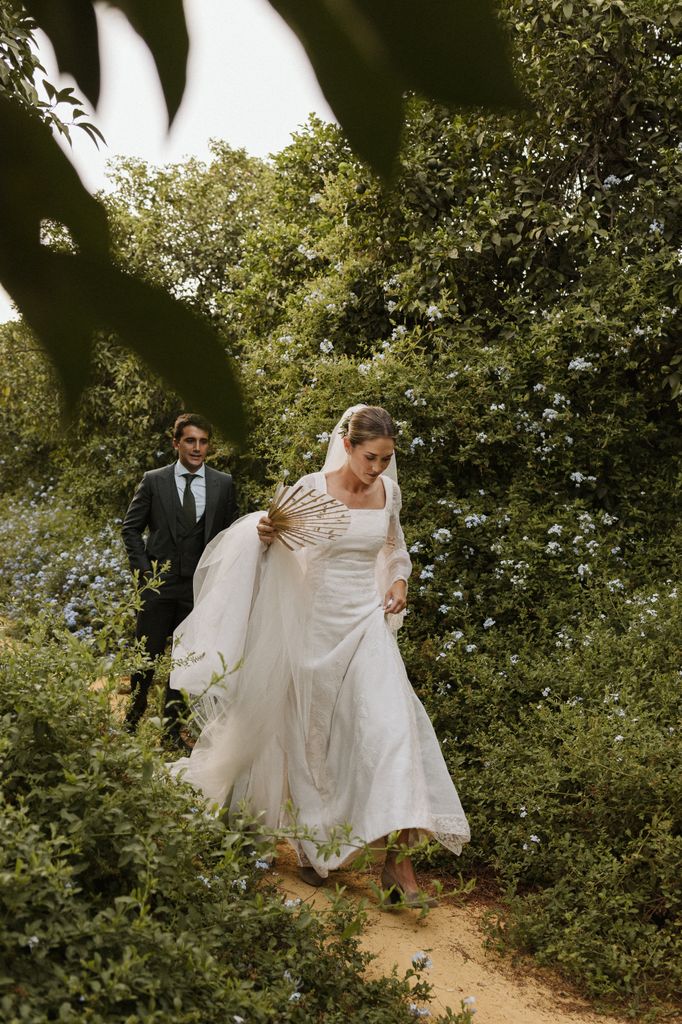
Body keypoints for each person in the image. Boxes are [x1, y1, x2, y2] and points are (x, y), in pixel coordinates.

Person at [168, 405, 469, 904]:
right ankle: (315, 848)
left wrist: (398, 581)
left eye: (386, 459)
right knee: (314, 741)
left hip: (367, 624)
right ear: (347, 446)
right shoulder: (310, 490)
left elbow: (394, 549)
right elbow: (277, 549)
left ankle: (399, 865)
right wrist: (263, 536)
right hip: (312, 629)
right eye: (371, 457)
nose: (378, 469)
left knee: (394, 729)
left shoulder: (389, 492)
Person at [121, 412, 238, 747]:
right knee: (147, 654)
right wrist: (144, 573)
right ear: (176, 443)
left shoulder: (223, 483)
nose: (197, 448)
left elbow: (230, 533)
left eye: (203, 441)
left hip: (199, 587)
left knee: (186, 659)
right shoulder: (154, 481)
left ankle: (172, 730)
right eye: (190, 440)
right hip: (158, 584)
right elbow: (130, 528)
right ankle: (133, 716)